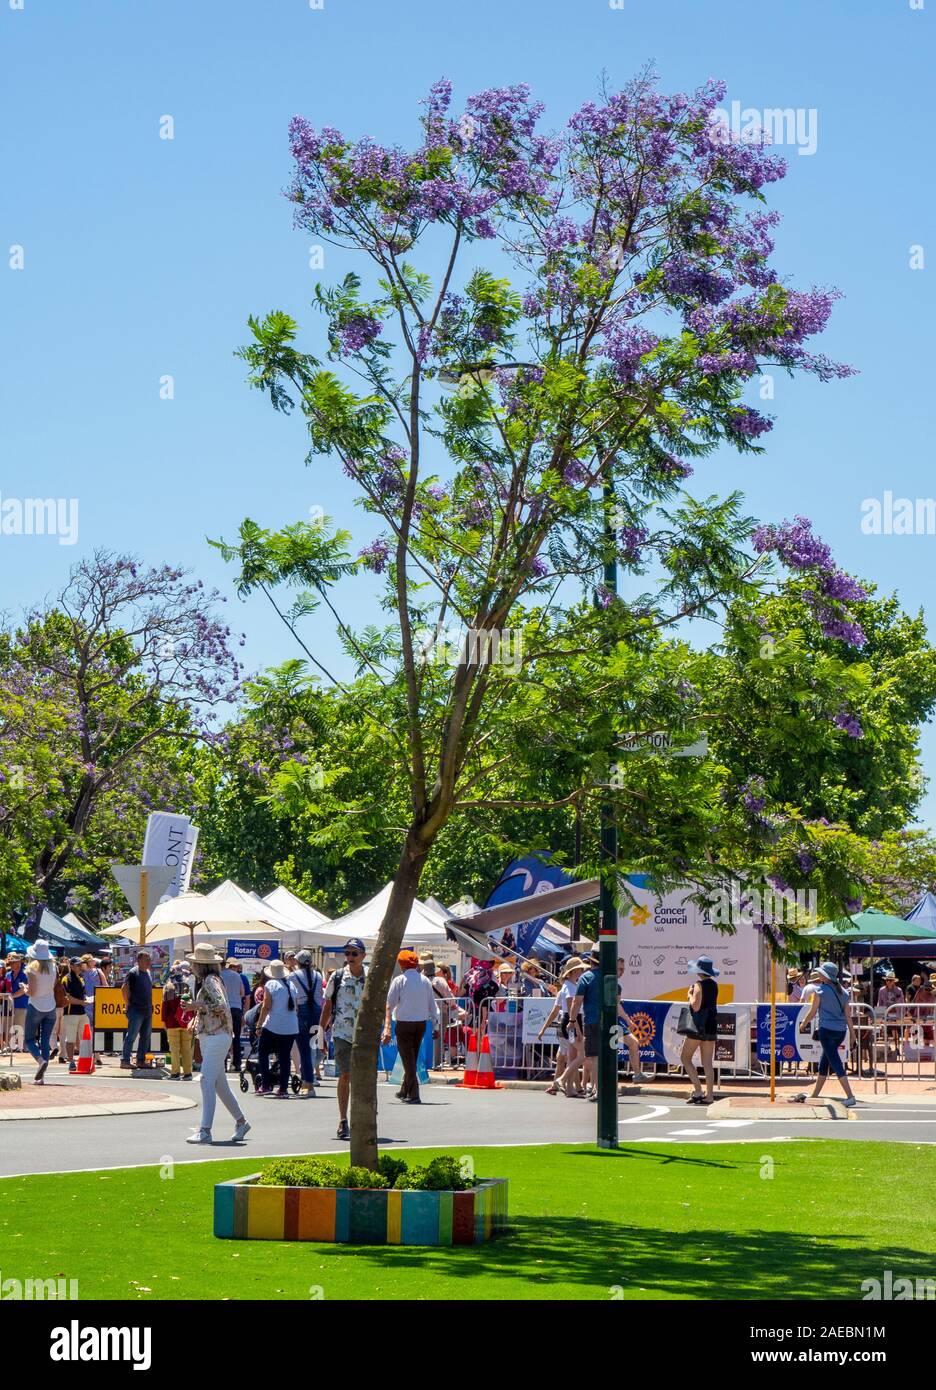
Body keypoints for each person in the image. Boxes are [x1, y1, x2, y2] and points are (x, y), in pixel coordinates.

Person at [185, 944, 250, 1144]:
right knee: (219, 1085)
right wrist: (196, 1015)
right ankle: (241, 1122)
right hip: (215, 1036)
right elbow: (217, 1008)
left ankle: (205, 1130)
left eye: (194, 963)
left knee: (207, 1081)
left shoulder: (210, 981)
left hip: (216, 1036)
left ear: (199, 965)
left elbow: (221, 1006)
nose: (192, 966)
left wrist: (197, 1006)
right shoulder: (211, 980)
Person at [319, 938, 367, 1141]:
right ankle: (343, 1120)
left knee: (363, 1078)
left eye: (354, 953)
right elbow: (327, 1005)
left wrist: (386, 1027)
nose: (349, 957)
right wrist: (321, 1033)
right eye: (347, 953)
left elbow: (380, 1004)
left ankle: (363, 1119)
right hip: (342, 1033)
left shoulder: (370, 977)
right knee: (345, 1075)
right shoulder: (338, 977)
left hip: (365, 1033)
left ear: (363, 955)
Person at [794, 961, 857, 1107]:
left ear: (825, 975)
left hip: (826, 1031)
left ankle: (850, 1096)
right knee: (824, 1062)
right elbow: (848, 1016)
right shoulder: (844, 992)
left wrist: (803, 1024)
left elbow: (812, 1012)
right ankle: (814, 1095)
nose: (819, 974)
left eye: (821, 972)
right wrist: (853, 1035)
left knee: (835, 1062)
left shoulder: (820, 991)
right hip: (841, 1032)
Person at [383, 950, 439, 1104]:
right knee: (411, 1058)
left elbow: (389, 1005)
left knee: (408, 1059)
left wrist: (387, 1027)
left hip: (404, 1024)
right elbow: (433, 1007)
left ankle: (414, 1094)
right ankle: (404, 1089)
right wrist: (436, 1027)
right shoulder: (425, 981)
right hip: (421, 1024)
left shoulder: (399, 980)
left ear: (401, 965)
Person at [537, 956, 585, 1097]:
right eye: (578, 970)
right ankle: (562, 1081)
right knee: (579, 1055)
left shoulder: (568, 987)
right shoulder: (570, 987)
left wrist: (543, 1029)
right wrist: (577, 1027)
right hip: (571, 1021)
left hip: (568, 1021)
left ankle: (568, 1088)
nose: (580, 972)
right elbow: (571, 1010)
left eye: (581, 969)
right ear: (571, 972)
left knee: (568, 1056)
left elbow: (555, 1011)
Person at [680, 956, 720, 1105]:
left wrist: (690, 995)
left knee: (685, 1057)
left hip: (698, 1026)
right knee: (707, 1063)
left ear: (699, 971)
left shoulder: (698, 985)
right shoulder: (715, 985)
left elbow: (695, 1006)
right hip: (711, 1025)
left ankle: (697, 1090)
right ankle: (709, 1095)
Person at [257, 960, 299, 1098]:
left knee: (263, 1052)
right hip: (291, 1026)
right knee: (284, 1057)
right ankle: (283, 1088)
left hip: (274, 1025)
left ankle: (266, 1084)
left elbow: (266, 1007)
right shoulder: (292, 985)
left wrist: (259, 1025)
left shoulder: (271, 984)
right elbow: (296, 1007)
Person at [567, 949, 604, 1100]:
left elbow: (577, 1002)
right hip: (609, 1021)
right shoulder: (610, 977)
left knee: (594, 1057)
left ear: (590, 962)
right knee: (606, 1056)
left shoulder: (586, 978)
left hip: (592, 1020)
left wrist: (571, 1020)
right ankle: (603, 1087)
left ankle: (596, 1088)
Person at [24, 941, 58, 1084]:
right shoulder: (53, 967)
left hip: (36, 1006)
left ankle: (40, 1061)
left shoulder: (32, 968)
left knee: (29, 1039)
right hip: (51, 1007)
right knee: (45, 1040)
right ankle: (42, 1077)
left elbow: (31, 992)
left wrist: (25, 989)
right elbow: (53, 986)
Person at [290, 950, 323, 1096]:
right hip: (316, 1011)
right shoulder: (318, 975)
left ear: (298, 962)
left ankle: (308, 1084)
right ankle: (307, 1081)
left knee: (304, 1049)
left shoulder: (293, 976)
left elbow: (293, 997)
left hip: (302, 1012)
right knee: (313, 1046)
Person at [120, 951, 154, 1070]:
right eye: (147, 959)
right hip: (136, 1009)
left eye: (149, 959)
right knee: (131, 1036)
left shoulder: (148, 973)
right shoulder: (133, 973)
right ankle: (125, 1060)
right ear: (139, 960)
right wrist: (128, 1004)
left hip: (147, 1010)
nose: (149, 961)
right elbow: (124, 988)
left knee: (145, 1036)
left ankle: (140, 1060)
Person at [162, 965, 195, 1080]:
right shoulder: (187, 987)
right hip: (186, 1022)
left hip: (172, 1023)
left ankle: (175, 1073)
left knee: (174, 1049)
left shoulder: (168, 987)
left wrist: (164, 1022)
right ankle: (187, 1073)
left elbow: (165, 1008)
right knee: (187, 1049)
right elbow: (192, 1005)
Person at [219, 958, 248, 1072]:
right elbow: (242, 993)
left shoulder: (219, 976)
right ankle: (237, 1064)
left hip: (224, 1008)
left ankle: (223, 1064)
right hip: (236, 1008)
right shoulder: (237, 976)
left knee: (223, 1036)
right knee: (236, 1037)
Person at [60, 957, 87, 1072]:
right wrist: (82, 1002)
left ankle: (84, 1060)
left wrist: (86, 1000)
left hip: (82, 1012)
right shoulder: (66, 979)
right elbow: (67, 998)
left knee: (85, 1037)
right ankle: (71, 1061)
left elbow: (82, 994)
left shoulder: (81, 978)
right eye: (77, 965)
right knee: (70, 1038)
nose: (79, 967)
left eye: (80, 965)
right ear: (71, 966)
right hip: (71, 1013)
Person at [6, 951, 29, 1048]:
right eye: (12, 962)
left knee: (21, 1026)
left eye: (17, 962)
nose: (14, 964)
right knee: (9, 1027)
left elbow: (24, 989)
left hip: (22, 1005)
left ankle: (21, 1047)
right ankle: (10, 1047)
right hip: (9, 1006)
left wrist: (12, 996)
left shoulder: (25, 975)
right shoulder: (7, 975)